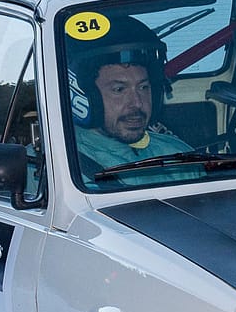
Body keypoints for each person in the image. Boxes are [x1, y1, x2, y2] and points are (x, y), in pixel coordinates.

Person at [70, 14, 191, 185]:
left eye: (143, 87)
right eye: (119, 90)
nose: (137, 103)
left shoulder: (178, 155)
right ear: (84, 95)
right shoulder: (56, 165)